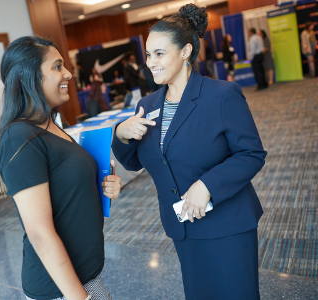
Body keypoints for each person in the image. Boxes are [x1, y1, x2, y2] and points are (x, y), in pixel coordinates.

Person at [112, 4, 267, 300]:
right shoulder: (148, 103)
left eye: (159, 53)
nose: (151, 62)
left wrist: (207, 185)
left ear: (185, 52)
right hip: (184, 229)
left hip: (227, 225)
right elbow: (132, 162)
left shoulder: (221, 95)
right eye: (148, 54)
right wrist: (121, 132)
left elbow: (251, 153)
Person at [0, 36, 122, 300]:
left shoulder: (51, 123)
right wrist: (80, 298)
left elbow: (66, 192)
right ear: (28, 77)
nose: (68, 74)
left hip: (86, 275)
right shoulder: (18, 138)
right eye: (57, 67)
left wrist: (103, 183)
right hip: (61, 289)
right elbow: (39, 233)